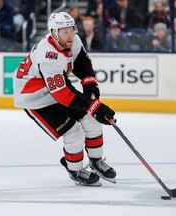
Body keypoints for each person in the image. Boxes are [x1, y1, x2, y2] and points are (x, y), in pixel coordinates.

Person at [13, 12, 116, 186]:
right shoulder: (47, 56)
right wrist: (94, 106)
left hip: (55, 88)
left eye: (71, 30)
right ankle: (75, 170)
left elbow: (82, 62)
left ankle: (96, 161)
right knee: (73, 132)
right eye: (65, 32)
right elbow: (63, 94)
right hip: (35, 97)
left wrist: (91, 86)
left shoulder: (74, 40)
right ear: (54, 33)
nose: (70, 35)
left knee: (91, 120)